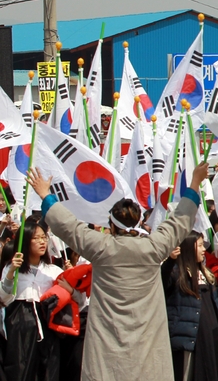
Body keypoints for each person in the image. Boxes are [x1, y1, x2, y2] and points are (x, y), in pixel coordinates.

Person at [31, 163, 207, 381]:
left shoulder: (100, 246)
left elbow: (68, 226)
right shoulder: (154, 247)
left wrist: (45, 194)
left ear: (111, 225)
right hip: (147, 345)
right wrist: (195, 183)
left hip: (107, 346)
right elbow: (181, 219)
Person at [1, 216, 65, 381]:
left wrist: (69, 280)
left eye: (44, 237)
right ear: (25, 241)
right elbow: (3, 297)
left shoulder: (53, 270)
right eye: (36, 238)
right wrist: (10, 273)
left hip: (47, 323)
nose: (42, 242)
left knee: (47, 369)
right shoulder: (12, 268)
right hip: (20, 323)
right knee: (20, 368)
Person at [163, 231, 218, 381]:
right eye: (200, 245)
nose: (203, 249)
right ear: (187, 248)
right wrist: (170, 261)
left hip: (210, 336)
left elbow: (216, 300)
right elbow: (162, 284)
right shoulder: (176, 273)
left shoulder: (205, 273)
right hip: (189, 339)